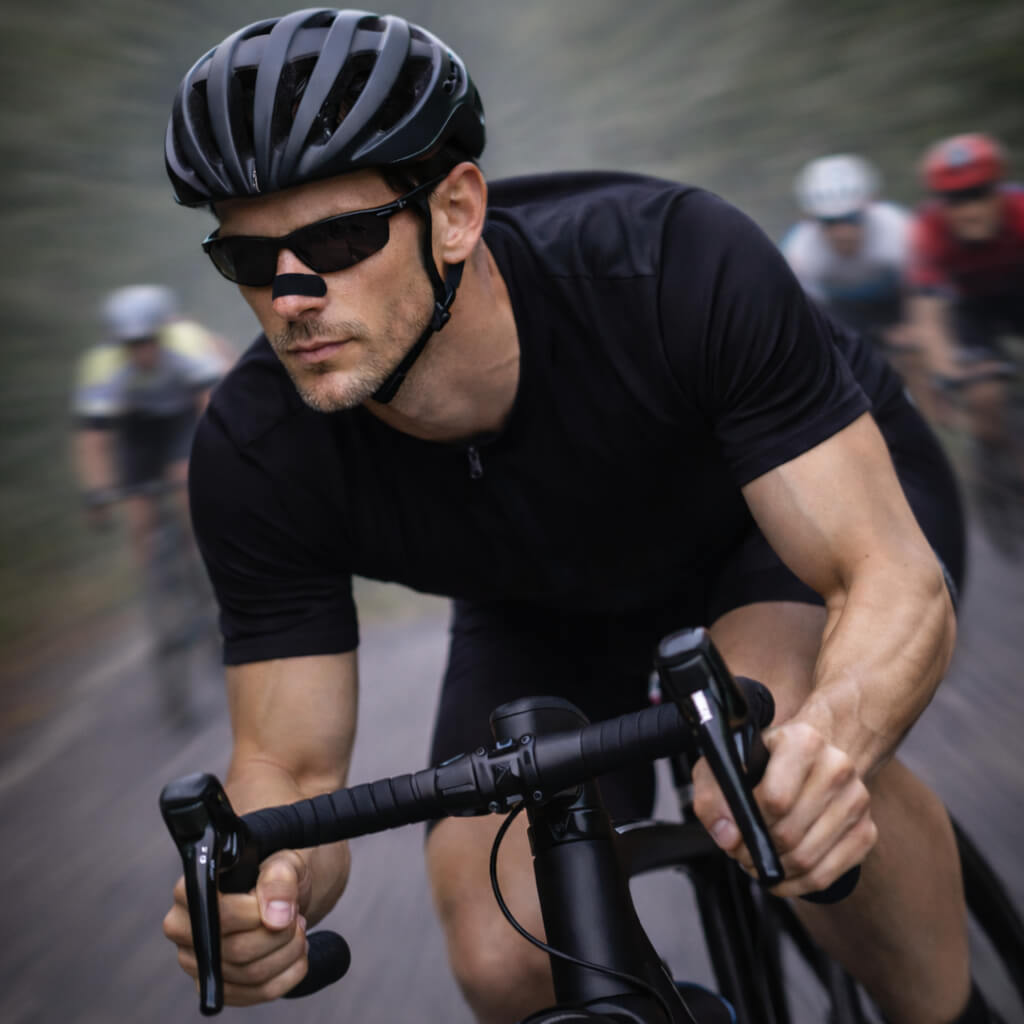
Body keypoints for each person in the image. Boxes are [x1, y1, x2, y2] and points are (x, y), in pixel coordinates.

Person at [159, 11, 988, 1024]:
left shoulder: (674, 263)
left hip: (770, 528)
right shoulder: (255, 451)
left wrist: (834, 744)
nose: (290, 296)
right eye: (249, 260)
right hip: (542, 596)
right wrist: (259, 890)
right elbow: (286, 768)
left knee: (763, 787)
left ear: (455, 212)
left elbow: (881, 576)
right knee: (505, 950)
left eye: (336, 240)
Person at [72, 284, 229, 566]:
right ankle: (155, 595)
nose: (141, 351)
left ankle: (205, 561)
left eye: (148, 340)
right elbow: (93, 439)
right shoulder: (102, 364)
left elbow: (210, 405)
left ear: (163, 331)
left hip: (184, 415)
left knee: (188, 487)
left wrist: (217, 457)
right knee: (138, 518)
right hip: (137, 427)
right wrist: (96, 493)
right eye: (131, 344)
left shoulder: (186, 342)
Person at [907, 133, 1024, 491]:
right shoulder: (929, 230)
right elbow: (928, 319)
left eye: (979, 193)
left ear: (998, 189)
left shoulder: (1020, 211)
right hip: (972, 311)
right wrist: (948, 372)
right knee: (983, 395)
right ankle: (1004, 471)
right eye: (955, 199)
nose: (970, 209)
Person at [781, 155, 933, 411]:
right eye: (829, 222)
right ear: (809, 218)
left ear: (869, 208)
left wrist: (915, 327)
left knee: (913, 352)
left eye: (851, 218)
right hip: (843, 311)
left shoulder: (898, 229)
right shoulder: (799, 253)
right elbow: (808, 317)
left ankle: (932, 421)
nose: (843, 231)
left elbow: (923, 289)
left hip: (897, 299)